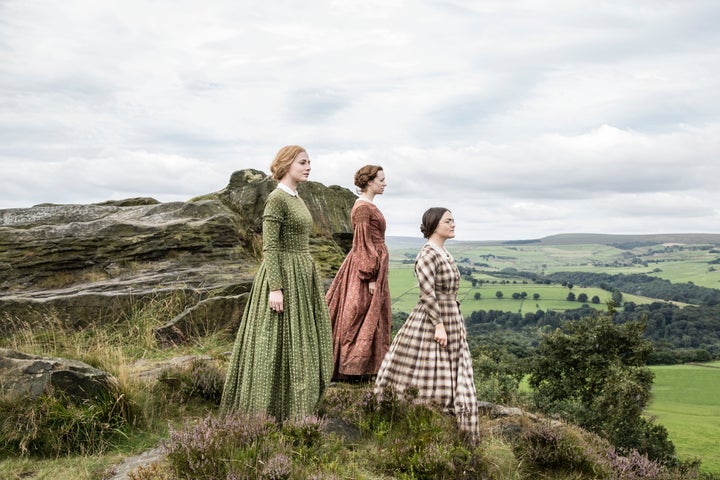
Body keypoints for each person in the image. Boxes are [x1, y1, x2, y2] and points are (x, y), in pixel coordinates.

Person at [220, 145, 333, 422]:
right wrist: (275, 287)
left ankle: (299, 403)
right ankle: (269, 411)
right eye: (303, 162)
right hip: (282, 274)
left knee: (302, 339)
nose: (308, 167)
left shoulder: (297, 197)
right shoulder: (277, 199)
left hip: (301, 273)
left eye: (309, 162)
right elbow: (270, 247)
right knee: (275, 343)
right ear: (286, 165)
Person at [374, 207, 480, 442]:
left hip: (451, 315)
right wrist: (438, 325)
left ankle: (449, 414)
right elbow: (427, 293)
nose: (453, 224)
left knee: (451, 364)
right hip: (434, 318)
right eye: (448, 221)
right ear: (434, 225)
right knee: (427, 363)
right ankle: (424, 413)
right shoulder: (428, 254)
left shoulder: (443, 253)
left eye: (453, 220)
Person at [326, 165, 391, 382]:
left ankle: (367, 367)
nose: (384, 183)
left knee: (372, 314)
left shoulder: (368, 205)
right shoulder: (363, 208)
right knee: (360, 312)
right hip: (366, 268)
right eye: (381, 179)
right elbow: (363, 243)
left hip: (374, 266)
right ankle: (352, 368)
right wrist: (370, 275)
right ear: (369, 181)